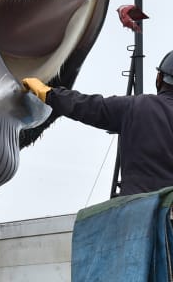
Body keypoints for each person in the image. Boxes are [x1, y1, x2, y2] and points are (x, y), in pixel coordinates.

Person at [23, 50, 173, 196]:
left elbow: (88, 106)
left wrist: (48, 93)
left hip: (139, 212)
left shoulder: (136, 107)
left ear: (159, 78)